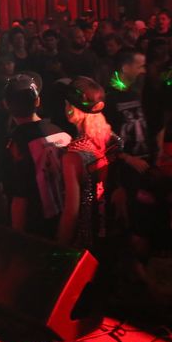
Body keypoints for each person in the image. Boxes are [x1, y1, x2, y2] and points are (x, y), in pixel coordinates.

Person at [1, 74, 72, 240]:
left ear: (6, 104)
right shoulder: (60, 131)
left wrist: (17, 239)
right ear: (37, 101)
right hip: (66, 218)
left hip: (36, 228)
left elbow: (19, 198)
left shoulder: (15, 143)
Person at [58, 77, 120, 248]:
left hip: (87, 239)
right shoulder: (113, 140)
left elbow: (71, 213)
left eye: (66, 104)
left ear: (71, 109)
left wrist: (59, 247)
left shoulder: (73, 156)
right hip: (113, 231)